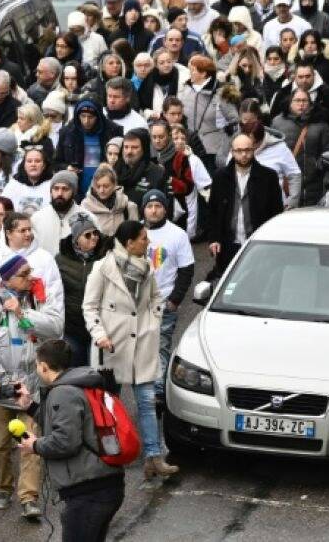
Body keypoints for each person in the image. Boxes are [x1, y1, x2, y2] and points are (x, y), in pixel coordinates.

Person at [0, 254, 62, 519]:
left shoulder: (37, 297)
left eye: (30, 272)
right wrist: (6, 379)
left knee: (30, 441)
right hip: (2, 387)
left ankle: (29, 498)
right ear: (7, 279)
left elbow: (55, 329)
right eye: (23, 274)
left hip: (31, 386)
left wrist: (22, 313)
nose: (30, 277)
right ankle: (4, 486)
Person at [82, 221, 176, 481]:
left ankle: (154, 457)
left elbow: (157, 298)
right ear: (129, 243)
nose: (148, 242)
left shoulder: (147, 267)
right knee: (111, 405)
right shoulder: (103, 268)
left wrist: (153, 320)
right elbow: (89, 307)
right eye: (143, 238)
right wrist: (100, 335)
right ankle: (112, 454)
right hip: (112, 345)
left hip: (142, 342)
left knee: (146, 401)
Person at [14, 339, 124, 542]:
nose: (37, 369)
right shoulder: (78, 384)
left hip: (90, 492)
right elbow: (66, 424)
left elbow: (65, 442)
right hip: (104, 485)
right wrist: (30, 407)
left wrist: (35, 445)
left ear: (44, 367)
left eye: (37, 364)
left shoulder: (63, 392)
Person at [140, 190, 194, 404]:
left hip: (163, 302)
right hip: (137, 303)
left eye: (158, 206)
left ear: (165, 208)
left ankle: (158, 394)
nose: (153, 210)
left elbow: (187, 269)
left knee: (160, 346)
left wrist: (175, 300)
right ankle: (143, 389)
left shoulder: (177, 235)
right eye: (150, 206)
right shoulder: (135, 230)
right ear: (143, 208)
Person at [206, 134, 284, 278]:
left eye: (248, 150)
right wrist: (214, 239)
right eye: (239, 150)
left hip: (259, 244)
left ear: (254, 150)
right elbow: (213, 211)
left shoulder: (269, 177)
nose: (244, 154)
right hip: (228, 244)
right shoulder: (220, 177)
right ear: (232, 152)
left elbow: (276, 214)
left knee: (259, 281)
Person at [272, 89, 329, 207]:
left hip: (313, 185)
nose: (301, 104)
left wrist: (318, 165)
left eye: (304, 101)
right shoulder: (277, 123)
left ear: (310, 103)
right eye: (297, 101)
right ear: (290, 102)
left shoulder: (320, 124)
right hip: (286, 184)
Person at [30, 170, 95, 255]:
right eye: (56, 188)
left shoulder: (88, 218)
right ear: (51, 191)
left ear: (73, 192)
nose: (60, 193)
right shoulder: (37, 218)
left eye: (65, 189)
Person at [3, 146, 54, 216]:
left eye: (37, 161)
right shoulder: (14, 184)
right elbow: (3, 207)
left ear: (44, 165)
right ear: (24, 165)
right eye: (29, 161)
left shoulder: (52, 184)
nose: (33, 164)